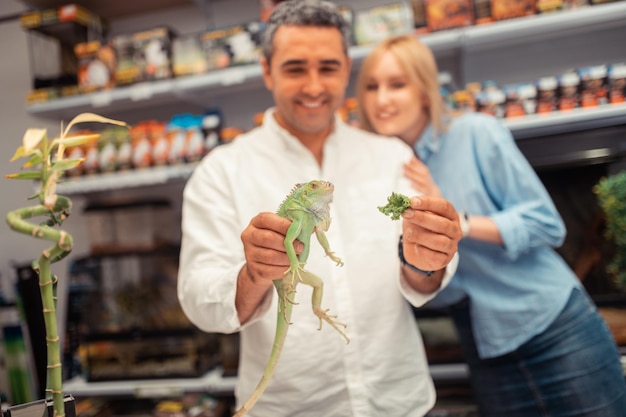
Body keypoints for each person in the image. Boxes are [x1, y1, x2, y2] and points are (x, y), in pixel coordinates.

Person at [177, 2, 463, 417]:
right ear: (267, 70)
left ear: (347, 69)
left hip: (398, 400)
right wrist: (254, 274)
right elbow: (198, 296)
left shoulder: (393, 157)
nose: (313, 86)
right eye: (295, 69)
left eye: (327, 68)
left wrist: (426, 258)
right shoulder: (221, 170)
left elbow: (425, 275)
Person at [356, 34, 626, 417]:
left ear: (425, 90)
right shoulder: (379, 174)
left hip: (554, 325)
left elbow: (547, 225)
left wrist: (453, 221)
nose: (382, 99)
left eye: (397, 84)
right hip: (483, 343)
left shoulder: (475, 133)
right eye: (371, 86)